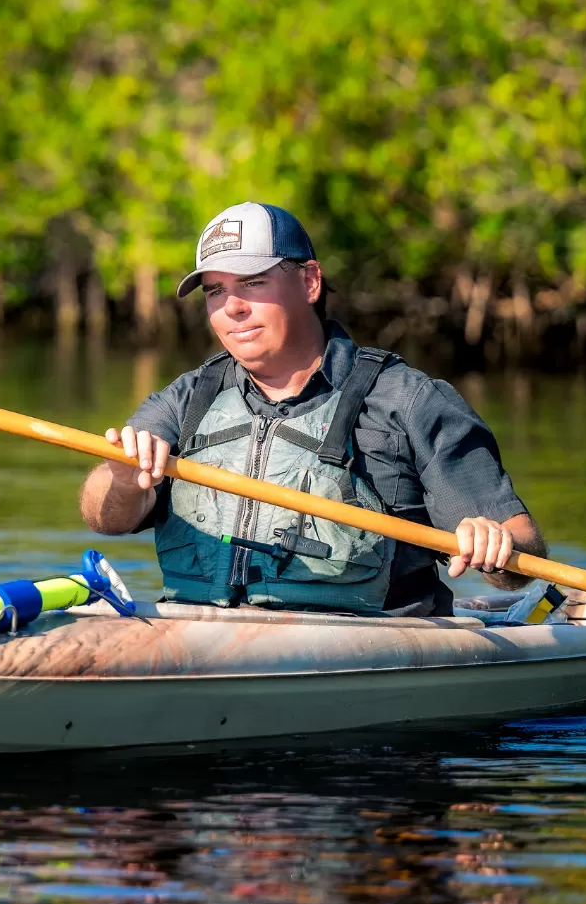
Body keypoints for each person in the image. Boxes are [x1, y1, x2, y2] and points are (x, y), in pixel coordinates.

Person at [78, 201, 546, 615]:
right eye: (215, 291)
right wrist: (122, 480)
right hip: (202, 635)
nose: (232, 307)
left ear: (309, 281)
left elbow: (524, 559)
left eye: (253, 282)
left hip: (368, 649)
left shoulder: (409, 401)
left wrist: (495, 544)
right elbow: (105, 516)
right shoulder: (188, 397)